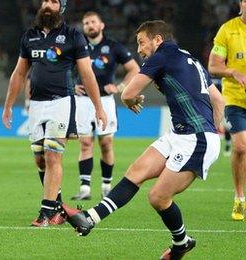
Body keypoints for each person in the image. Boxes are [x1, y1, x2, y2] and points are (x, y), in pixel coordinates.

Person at [64, 20, 224, 259]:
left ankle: (181, 243)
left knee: (158, 197)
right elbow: (218, 101)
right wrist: (214, 130)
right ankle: (89, 218)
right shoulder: (189, 58)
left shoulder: (161, 57)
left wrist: (130, 100)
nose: (139, 49)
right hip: (182, 134)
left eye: (141, 42)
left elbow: (128, 93)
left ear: (157, 40)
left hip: (196, 139)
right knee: (136, 171)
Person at [1, 0, 107, 227]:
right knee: (39, 158)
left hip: (61, 103)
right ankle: (57, 207)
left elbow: (87, 74)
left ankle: (46, 213)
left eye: (54, 1)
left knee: (52, 155)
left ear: (62, 7)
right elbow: (19, 73)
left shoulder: (72, 36)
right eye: (45, 1)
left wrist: (99, 107)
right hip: (36, 105)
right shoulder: (29, 36)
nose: (48, 5)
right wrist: (8, 104)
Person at [71, 11, 140, 200]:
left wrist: (120, 86)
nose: (89, 26)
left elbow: (134, 68)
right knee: (85, 143)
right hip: (83, 101)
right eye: (86, 23)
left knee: (106, 143)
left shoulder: (113, 46)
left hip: (105, 101)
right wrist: (71, 85)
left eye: (93, 22)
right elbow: (63, 66)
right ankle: (85, 189)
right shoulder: (78, 45)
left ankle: (106, 186)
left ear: (101, 25)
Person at [208, 0, 246, 221]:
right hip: (235, 100)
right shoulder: (228, 30)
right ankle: (240, 198)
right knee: (240, 147)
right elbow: (213, 66)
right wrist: (232, 72)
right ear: (241, 4)